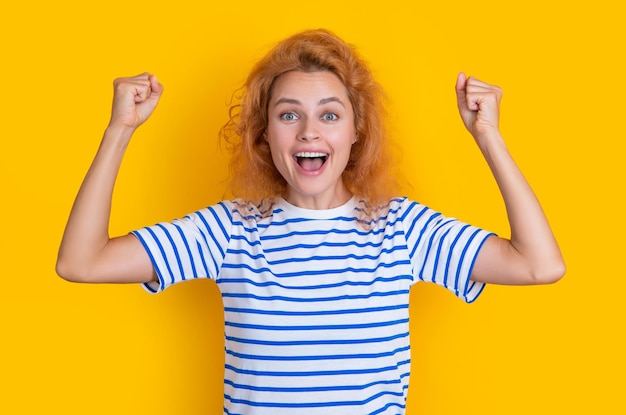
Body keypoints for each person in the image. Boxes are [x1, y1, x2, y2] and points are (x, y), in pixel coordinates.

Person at [57, 29, 565, 414]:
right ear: (265, 134)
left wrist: (488, 138)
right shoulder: (228, 231)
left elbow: (540, 265)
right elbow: (81, 262)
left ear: (355, 131)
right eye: (287, 114)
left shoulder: (403, 230)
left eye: (328, 114)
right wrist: (119, 129)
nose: (308, 132)